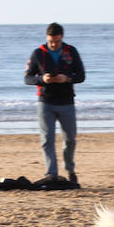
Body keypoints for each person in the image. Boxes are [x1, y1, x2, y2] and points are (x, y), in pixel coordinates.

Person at [23, 22, 85, 183]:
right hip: (46, 102)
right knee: (47, 139)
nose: (53, 44)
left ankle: (70, 169)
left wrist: (67, 78)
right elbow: (27, 78)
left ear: (61, 38)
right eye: (50, 41)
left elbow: (81, 75)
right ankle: (51, 173)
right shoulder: (38, 53)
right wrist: (41, 79)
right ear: (46, 38)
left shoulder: (71, 51)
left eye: (56, 41)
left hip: (67, 102)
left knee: (70, 139)